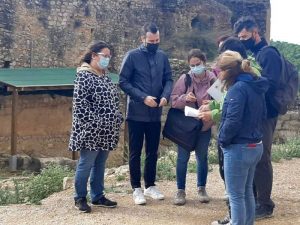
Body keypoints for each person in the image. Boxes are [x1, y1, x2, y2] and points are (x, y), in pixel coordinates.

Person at [119, 22, 173, 205]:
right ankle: (136, 188)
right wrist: (143, 98)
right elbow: (123, 82)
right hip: (136, 112)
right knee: (135, 151)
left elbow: (168, 79)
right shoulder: (132, 56)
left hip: (155, 113)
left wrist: (165, 96)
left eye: (157, 40)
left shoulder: (162, 56)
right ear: (142, 39)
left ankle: (150, 185)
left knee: (152, 151)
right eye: (151, 40)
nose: (154, 43)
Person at [234, 16, 282, 219]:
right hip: (254, 113)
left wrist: (249, 76)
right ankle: (253, 198)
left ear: (255, 33)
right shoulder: (253, 53)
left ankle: (265, 204)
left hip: (266, 113)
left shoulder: (269, 54)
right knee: (252, 156)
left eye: (245, 36)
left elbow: (269, 84)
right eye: (239, 37)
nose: (242, 39)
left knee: (262, 157)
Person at [69, 41, 123, 213]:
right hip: (90, 131)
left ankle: (98, 195)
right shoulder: (84, 76)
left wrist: (116, 117)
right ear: (94, 55)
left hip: (107, 131)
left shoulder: (104, 75)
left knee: (100, 164)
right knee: (86, 163)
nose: (107, 59)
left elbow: (112, 100)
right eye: (104, 56)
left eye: (109, 57)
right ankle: (80, 198)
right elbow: (80, 107)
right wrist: (98, 123)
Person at [217, 50, 268, 225]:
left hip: (238, 147)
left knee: (236, 195)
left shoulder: (237, 89)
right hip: (255, 145)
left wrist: (222, 140)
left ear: (229, 71)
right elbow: (263, 114)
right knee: (247, 192)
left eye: (220, 70)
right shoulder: (255, 86)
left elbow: (233, 120)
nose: (219, 74)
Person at [170, 49, 216, 206]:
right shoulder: (185, 79)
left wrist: (211, 105)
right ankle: (180, 191)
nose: (195, 67)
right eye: (192, 65)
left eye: (198, 64)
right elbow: (174, 100)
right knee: (182, 158)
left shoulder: (212, 80)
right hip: (187, 127)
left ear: (204, 62)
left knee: (202, 157)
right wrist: (185, 98)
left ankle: (201, 188)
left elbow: (222, 102)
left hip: (204, 126)